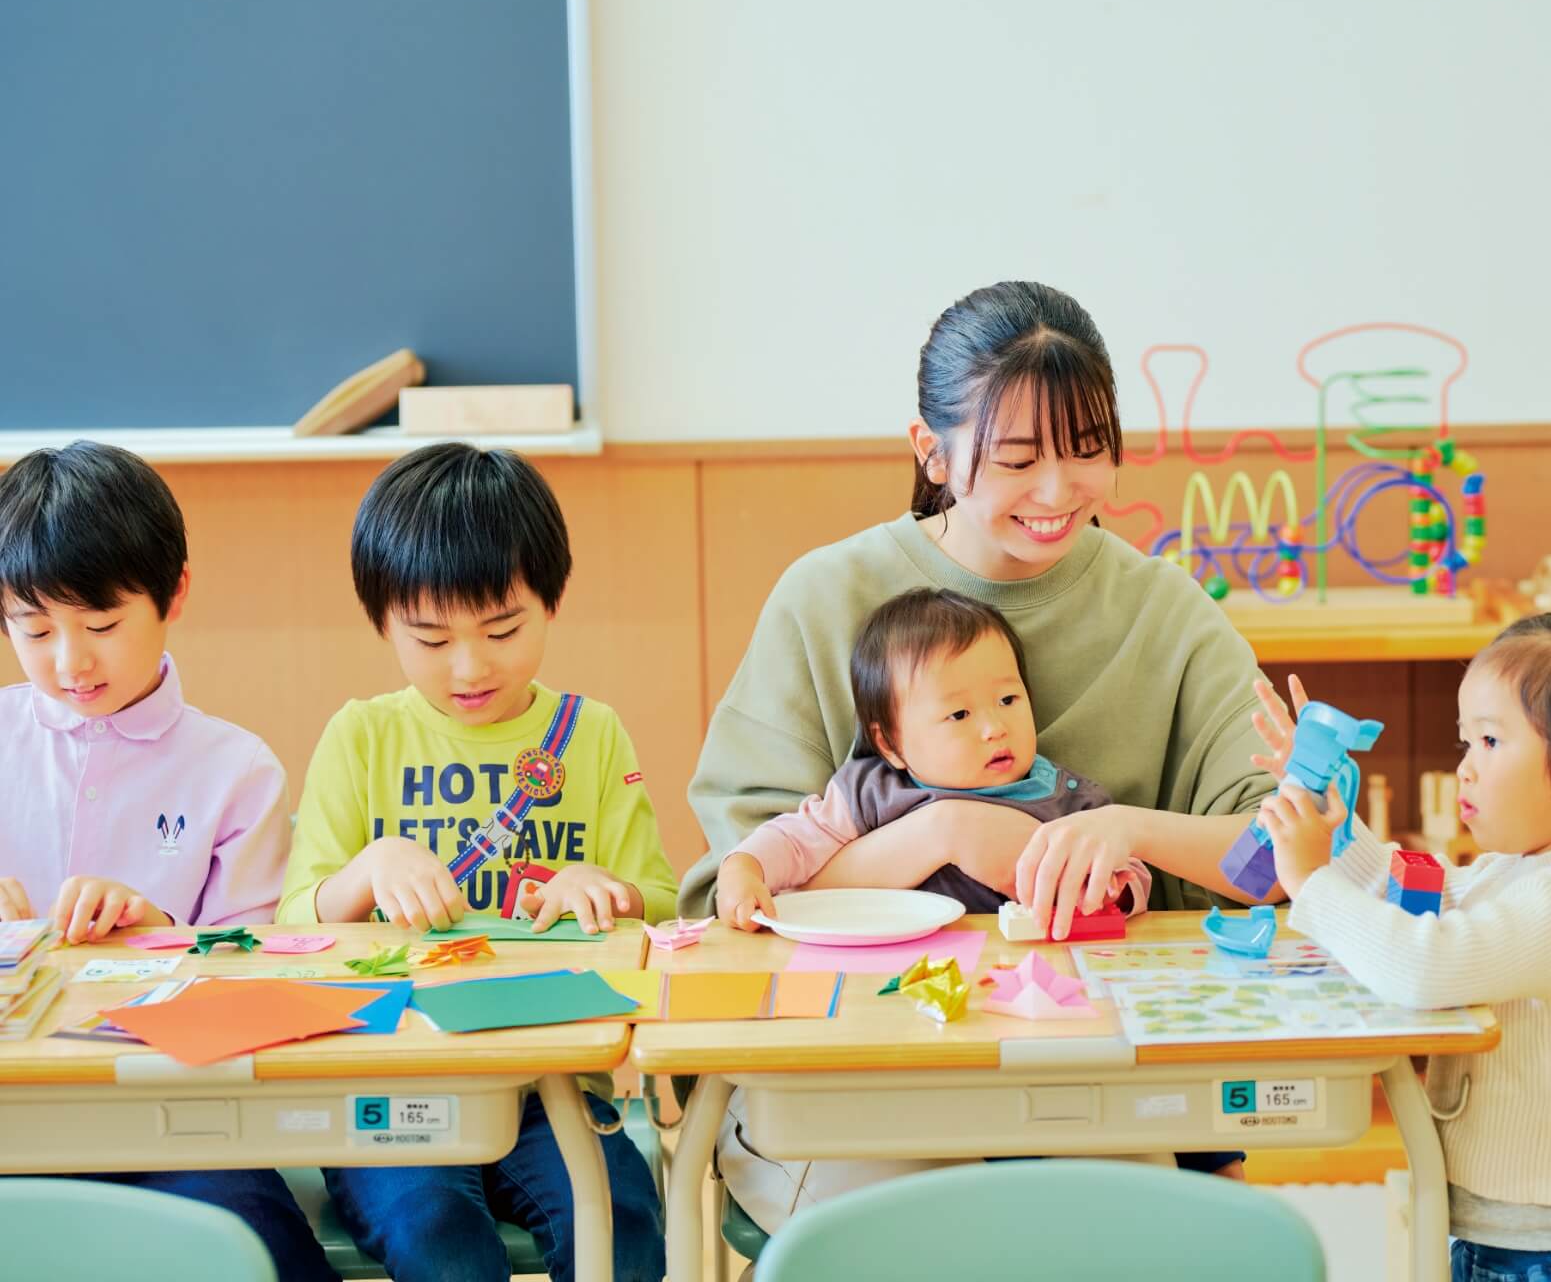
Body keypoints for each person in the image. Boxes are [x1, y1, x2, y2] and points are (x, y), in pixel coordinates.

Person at [687, 281, 1278, 1230]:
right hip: (853, 1070)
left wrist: (1125, 833)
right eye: (1017, 459)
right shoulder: (825, 597)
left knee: (1125, 1225)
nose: (1057, 491)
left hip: (1089, 1062)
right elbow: (739, 898)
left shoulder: (1168, 615)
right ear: (931, 450)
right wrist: (947, 832)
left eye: (1087, 449)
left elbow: (1272, 859)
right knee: (910, 1231)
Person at [276, 443, 673, 1282]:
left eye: (502, 630)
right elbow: (293, 925)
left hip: (550, 1082)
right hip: (395, 1082)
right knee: (440, 1240)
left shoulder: (590, 734)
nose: (469, 666)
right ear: (382, 621)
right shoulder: (362, 736)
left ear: (551, 602)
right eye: (430, 637)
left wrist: (606, 890)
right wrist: (369, 868)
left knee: (623, 1226)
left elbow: (664, 907)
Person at [0, 441, 337, 1282]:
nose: (70, 662)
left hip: (173, 1115)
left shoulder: (235, 770)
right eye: (33, 629)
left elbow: (265, 980)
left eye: (101, 626)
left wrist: (163, 932)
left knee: (258, 1244)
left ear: (174, 593)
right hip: (11, 1111)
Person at [1254, 597, 1551, 1281]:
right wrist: (1321, 804)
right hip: (1505, 1232)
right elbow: (1412, 895)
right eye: (1466, 743)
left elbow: (1424, 964)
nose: (1464, 766)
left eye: (1488, 742)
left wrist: (1311, 883)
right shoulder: (1519, 868)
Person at [716, 587, 1150, 927]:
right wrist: (745, 870)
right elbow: (793, 843)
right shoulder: (869, 792)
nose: (994, 728)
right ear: (890, 744)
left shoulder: (1067, 799)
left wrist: (1116, 889)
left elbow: (1131, 877)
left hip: (1021, 970)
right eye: (959, 714)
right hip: (895, 969)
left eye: (1008, 699)